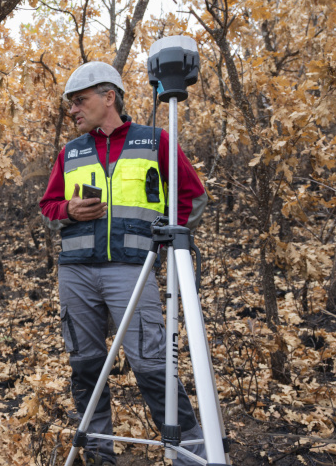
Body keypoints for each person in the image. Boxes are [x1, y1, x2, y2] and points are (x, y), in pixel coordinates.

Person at [39, 61, 209, 466]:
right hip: (77, 272)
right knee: (85, 367)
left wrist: (168, 238)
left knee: (151, 365)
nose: (74, 111)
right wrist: (69, 209)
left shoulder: (155, 140)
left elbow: (193, 196)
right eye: (71, 105)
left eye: (80, 101)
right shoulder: (71, 151)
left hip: (132, 271)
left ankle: (191, 454)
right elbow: (48, 206)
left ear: (109, 96)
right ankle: (99, 456)